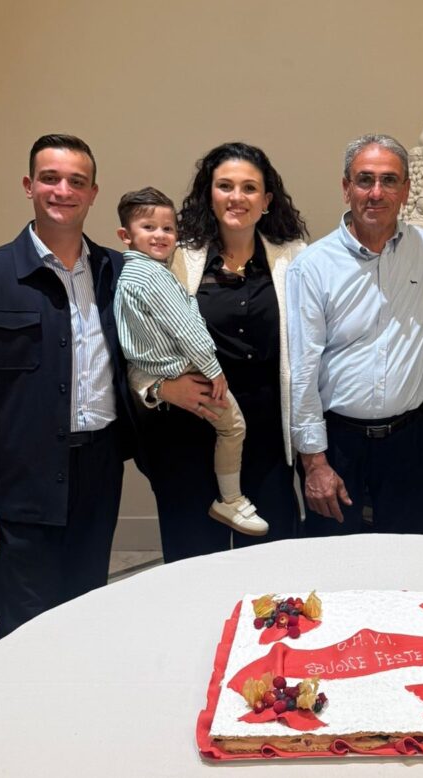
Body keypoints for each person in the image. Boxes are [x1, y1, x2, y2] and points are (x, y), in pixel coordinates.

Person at [0, 134, 139, 637]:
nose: (63, 191)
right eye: (50, 178)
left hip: (99, 472)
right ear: (29, 186)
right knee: (27, 631)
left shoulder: (119, 273)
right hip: (20, 480)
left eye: (76, 181)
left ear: (93, 193)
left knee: (86, 613)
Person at [129, 143, 307, 562]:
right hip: (189, 434)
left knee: (270, 566)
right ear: (209, 194)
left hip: (267, 437)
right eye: (225, 185)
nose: (236, 197)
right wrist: (159, 389)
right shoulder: (174, 257)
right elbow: (136, 341)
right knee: (193, 564)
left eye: (249, 188)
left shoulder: (295, 258)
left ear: (267, 200)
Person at [287, 134, 423, 536]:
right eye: (364, 180)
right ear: (346, 188)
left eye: (389, 180)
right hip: (338, 442)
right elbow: (302, 370)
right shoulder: (313, 266)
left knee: (406, 554)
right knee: (334, 557)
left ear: (405, 190)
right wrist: (314, 462)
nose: (376, 192)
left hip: (409, 441)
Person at [113, 187, 266, 536]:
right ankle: (231, 499)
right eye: (149, 228)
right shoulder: (153, 276)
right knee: (233, 426)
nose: (161, 235)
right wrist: (213, 370)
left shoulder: (131, 276)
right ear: (125, 235)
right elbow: (185, 329)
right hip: (186, 373)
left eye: (168, 228)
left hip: (161, 372)